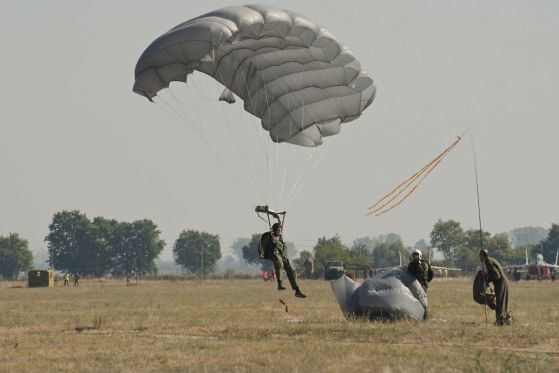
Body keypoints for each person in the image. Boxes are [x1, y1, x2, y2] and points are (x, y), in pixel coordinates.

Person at [259, 223, 306, 298]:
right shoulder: (269, 236)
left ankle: (297, 290)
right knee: (279, 263)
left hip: (281, 255)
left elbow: (282, 248)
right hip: (272, 254)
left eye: (280, 230)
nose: (279, 231)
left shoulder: (280, 238)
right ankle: (280, 283)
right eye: (278, 230)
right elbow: (261, 245)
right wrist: (261, 254)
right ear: (274, 230)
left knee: (290, 269)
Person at [479, 249, 512, 326]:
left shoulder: (489, 262)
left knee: (500, 302)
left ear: (483, 256)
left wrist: (486, 275)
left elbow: (496, 276)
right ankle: (502, 319)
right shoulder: (488, 261)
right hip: (500, 283)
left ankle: (501, 321)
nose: (479, 258)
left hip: (501, 283)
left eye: (480, 256)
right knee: (500, 302)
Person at [407, 249, 433, 320]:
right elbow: (408, 273)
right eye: (414, 255)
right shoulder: (411, 264)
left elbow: (426, 273)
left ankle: (425, 316)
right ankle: (415, 315)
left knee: (422, 301)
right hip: (413, 285)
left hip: (421, 285)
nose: (415, 256)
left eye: (416, 255)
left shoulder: (424, 264)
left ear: (420, 256)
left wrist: (425, 281)